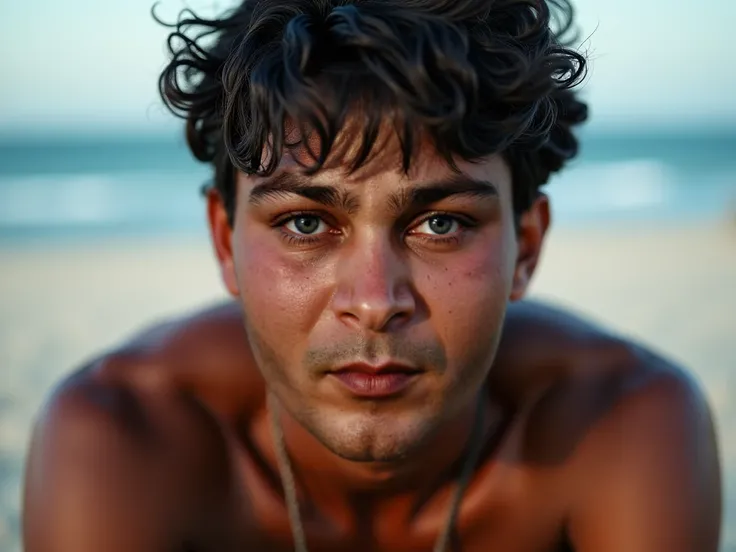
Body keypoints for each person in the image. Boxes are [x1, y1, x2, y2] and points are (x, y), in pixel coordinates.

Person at [23, 0, 721, 550]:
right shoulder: (123, 442)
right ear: (224, 239)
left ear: (527, 246)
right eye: (305, 223)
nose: (374, 302)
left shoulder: (621, 424)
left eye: (440, 223)